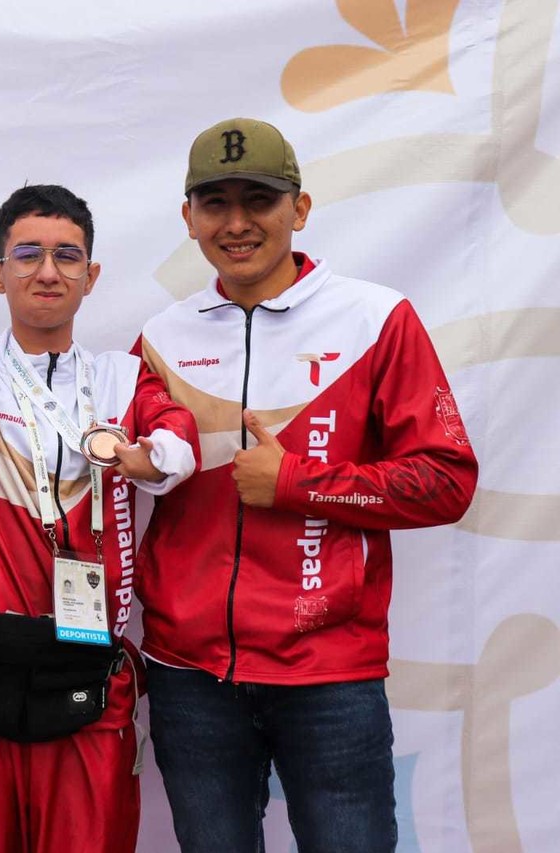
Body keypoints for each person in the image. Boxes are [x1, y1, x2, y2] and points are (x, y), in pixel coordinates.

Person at [134, 118, 480, 852]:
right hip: (189, 673)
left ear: (300, 208)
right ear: (188, 217)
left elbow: (446, 480)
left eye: (258, 199)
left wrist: (299, 481)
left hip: (328, 671)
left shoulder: (376, 318)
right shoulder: (162, 336)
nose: (236, 223)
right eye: (215, 202)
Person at [0, 184, 198, 852]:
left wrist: (147, 458)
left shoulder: (121, 376)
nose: (47, 271)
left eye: (66, 256)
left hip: (88, 683)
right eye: (27, 255)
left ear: (92, 275)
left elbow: (180, 442)